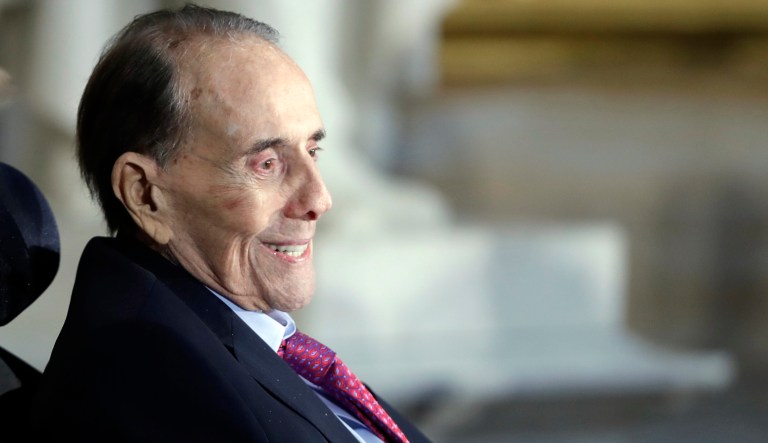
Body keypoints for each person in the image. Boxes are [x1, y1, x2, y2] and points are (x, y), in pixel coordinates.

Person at [31, 4, 431, 442]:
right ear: (145, 194)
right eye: (267, 163)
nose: (320, 198)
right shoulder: (153, 372)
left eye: (312, 151)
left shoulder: (228, 336)